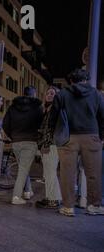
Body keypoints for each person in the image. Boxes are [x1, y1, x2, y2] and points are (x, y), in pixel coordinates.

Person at [51, 69, 104, 217]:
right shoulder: (96, 94)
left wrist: (53, 135)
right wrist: (101, 136)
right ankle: (94, 205)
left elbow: (53, 117)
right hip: (92, 137)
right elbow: (103, 116)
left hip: (68, 138)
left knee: (67, 173)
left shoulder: (62, 94)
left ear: (71, 80)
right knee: (94, 174)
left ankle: (68, 207)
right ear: (86, 79)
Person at [3, 86, 43, 205]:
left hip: (16, 141)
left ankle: (27, 191)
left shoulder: (13, 107)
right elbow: (41, 124)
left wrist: (13, 135)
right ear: (34, 94)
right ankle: (16, 196)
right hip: (30, 141)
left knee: (22, 167)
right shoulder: (37, 107)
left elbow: (5, 124)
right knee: (23, 169)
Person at [36, 86, 62, 209]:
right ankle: (50, 197)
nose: (50, 95)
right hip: (47, 144)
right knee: (47, 173)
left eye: (53, 93)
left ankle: (54, 199)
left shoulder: (55, 109)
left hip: (51, 144)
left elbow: (50, 129)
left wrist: (44, 144)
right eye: (48, 93)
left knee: (50, 172)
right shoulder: (47, 109)